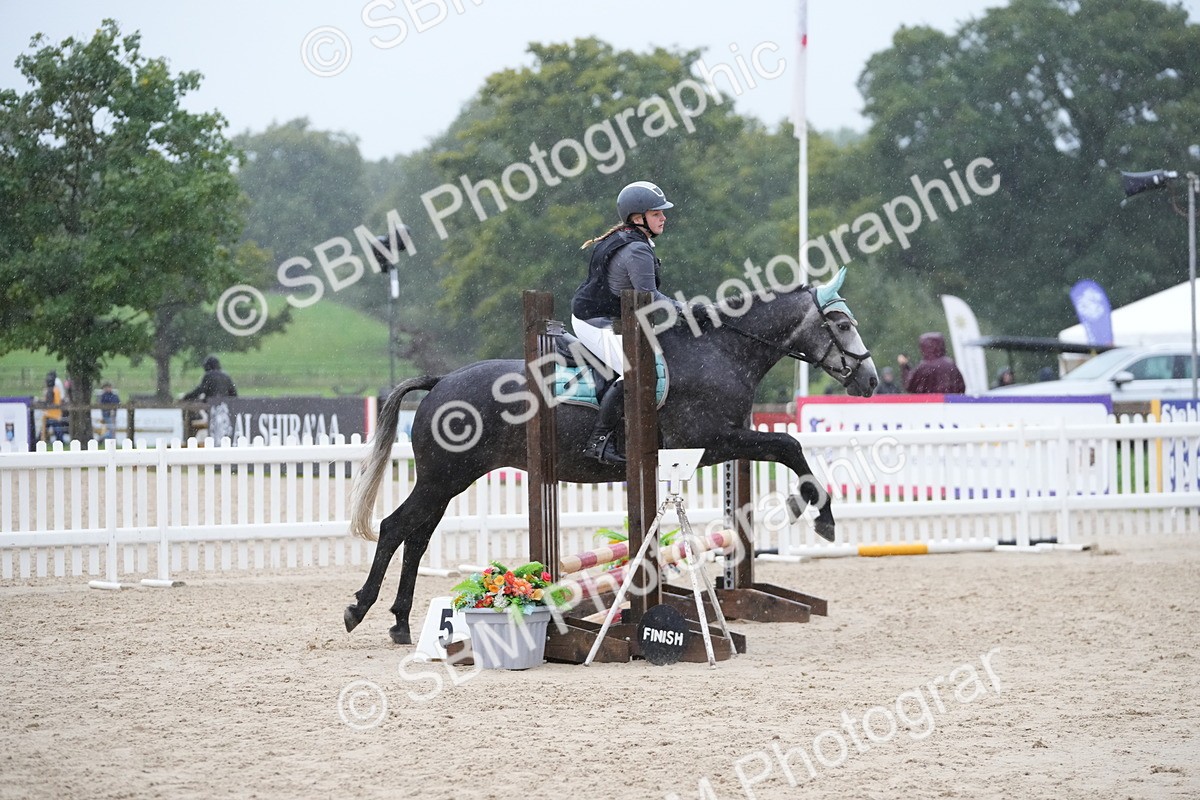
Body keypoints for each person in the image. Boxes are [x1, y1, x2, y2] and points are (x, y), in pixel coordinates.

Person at [571, 180, 679, 465]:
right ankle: (598, 442)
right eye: (657, 213)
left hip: (610, 318)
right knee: (635, 373)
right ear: (637, 217)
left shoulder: (632, 240)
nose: (664, 217)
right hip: (593, 321)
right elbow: (650, 297)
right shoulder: (636, 250)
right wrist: (690, 311)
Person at [183, 356, 238, 443]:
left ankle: (189, 439)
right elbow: (234, 394)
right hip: (225, 410)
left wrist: (187, 396)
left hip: (212, 409)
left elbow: (201, 390)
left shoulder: (208, 376)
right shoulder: (226, 377)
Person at [898, 332, 966, 394]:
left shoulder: (924, 367)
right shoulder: (951, 364)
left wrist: (905, 366)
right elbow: (961, 387)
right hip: (950, 405)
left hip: (930, 405)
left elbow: (909, 385)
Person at [41, 371, 68, 443]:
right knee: (57, 429)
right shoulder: (56, 389)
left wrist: (42, 403)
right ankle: (60, 441)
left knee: (48, 429)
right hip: (56, 413)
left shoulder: (51, 390)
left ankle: (41, 441)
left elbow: (49, 402)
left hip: (50, 414)